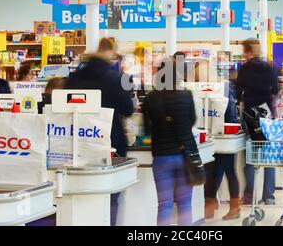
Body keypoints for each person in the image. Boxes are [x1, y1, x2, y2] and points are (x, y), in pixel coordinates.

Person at [65, 39, 134, 226]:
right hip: (110, 142)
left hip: (77, 140)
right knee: (110, 191)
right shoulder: (116, 78)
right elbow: (128, 109)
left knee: (79, 193)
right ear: (111, 53)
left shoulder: (75, 77)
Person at [142, 60, 197, 226]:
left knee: (164, 205)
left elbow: (146, 129)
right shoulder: (186, 95)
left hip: (161, 157)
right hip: (184, 156)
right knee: (185, 204)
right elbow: (192, 120)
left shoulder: (150, 98)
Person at [236, 39, 278, 205]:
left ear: (247, 52)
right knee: (268, 156)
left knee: (251, 156)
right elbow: (275, 90)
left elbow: (238, 91)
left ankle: (248, 196)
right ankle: (268, 196)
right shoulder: (270, 67)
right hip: (267, 111)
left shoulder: (245, 69)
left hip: (251, 112)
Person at [204, 68, 241, 220]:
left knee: (228, 170)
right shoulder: (207, 89)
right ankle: (210, 204)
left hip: (225, 137)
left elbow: (231, 115)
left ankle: (235, 207)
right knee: (211, 170)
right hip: (213, 136)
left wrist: (227, 129)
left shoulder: (225, 88)